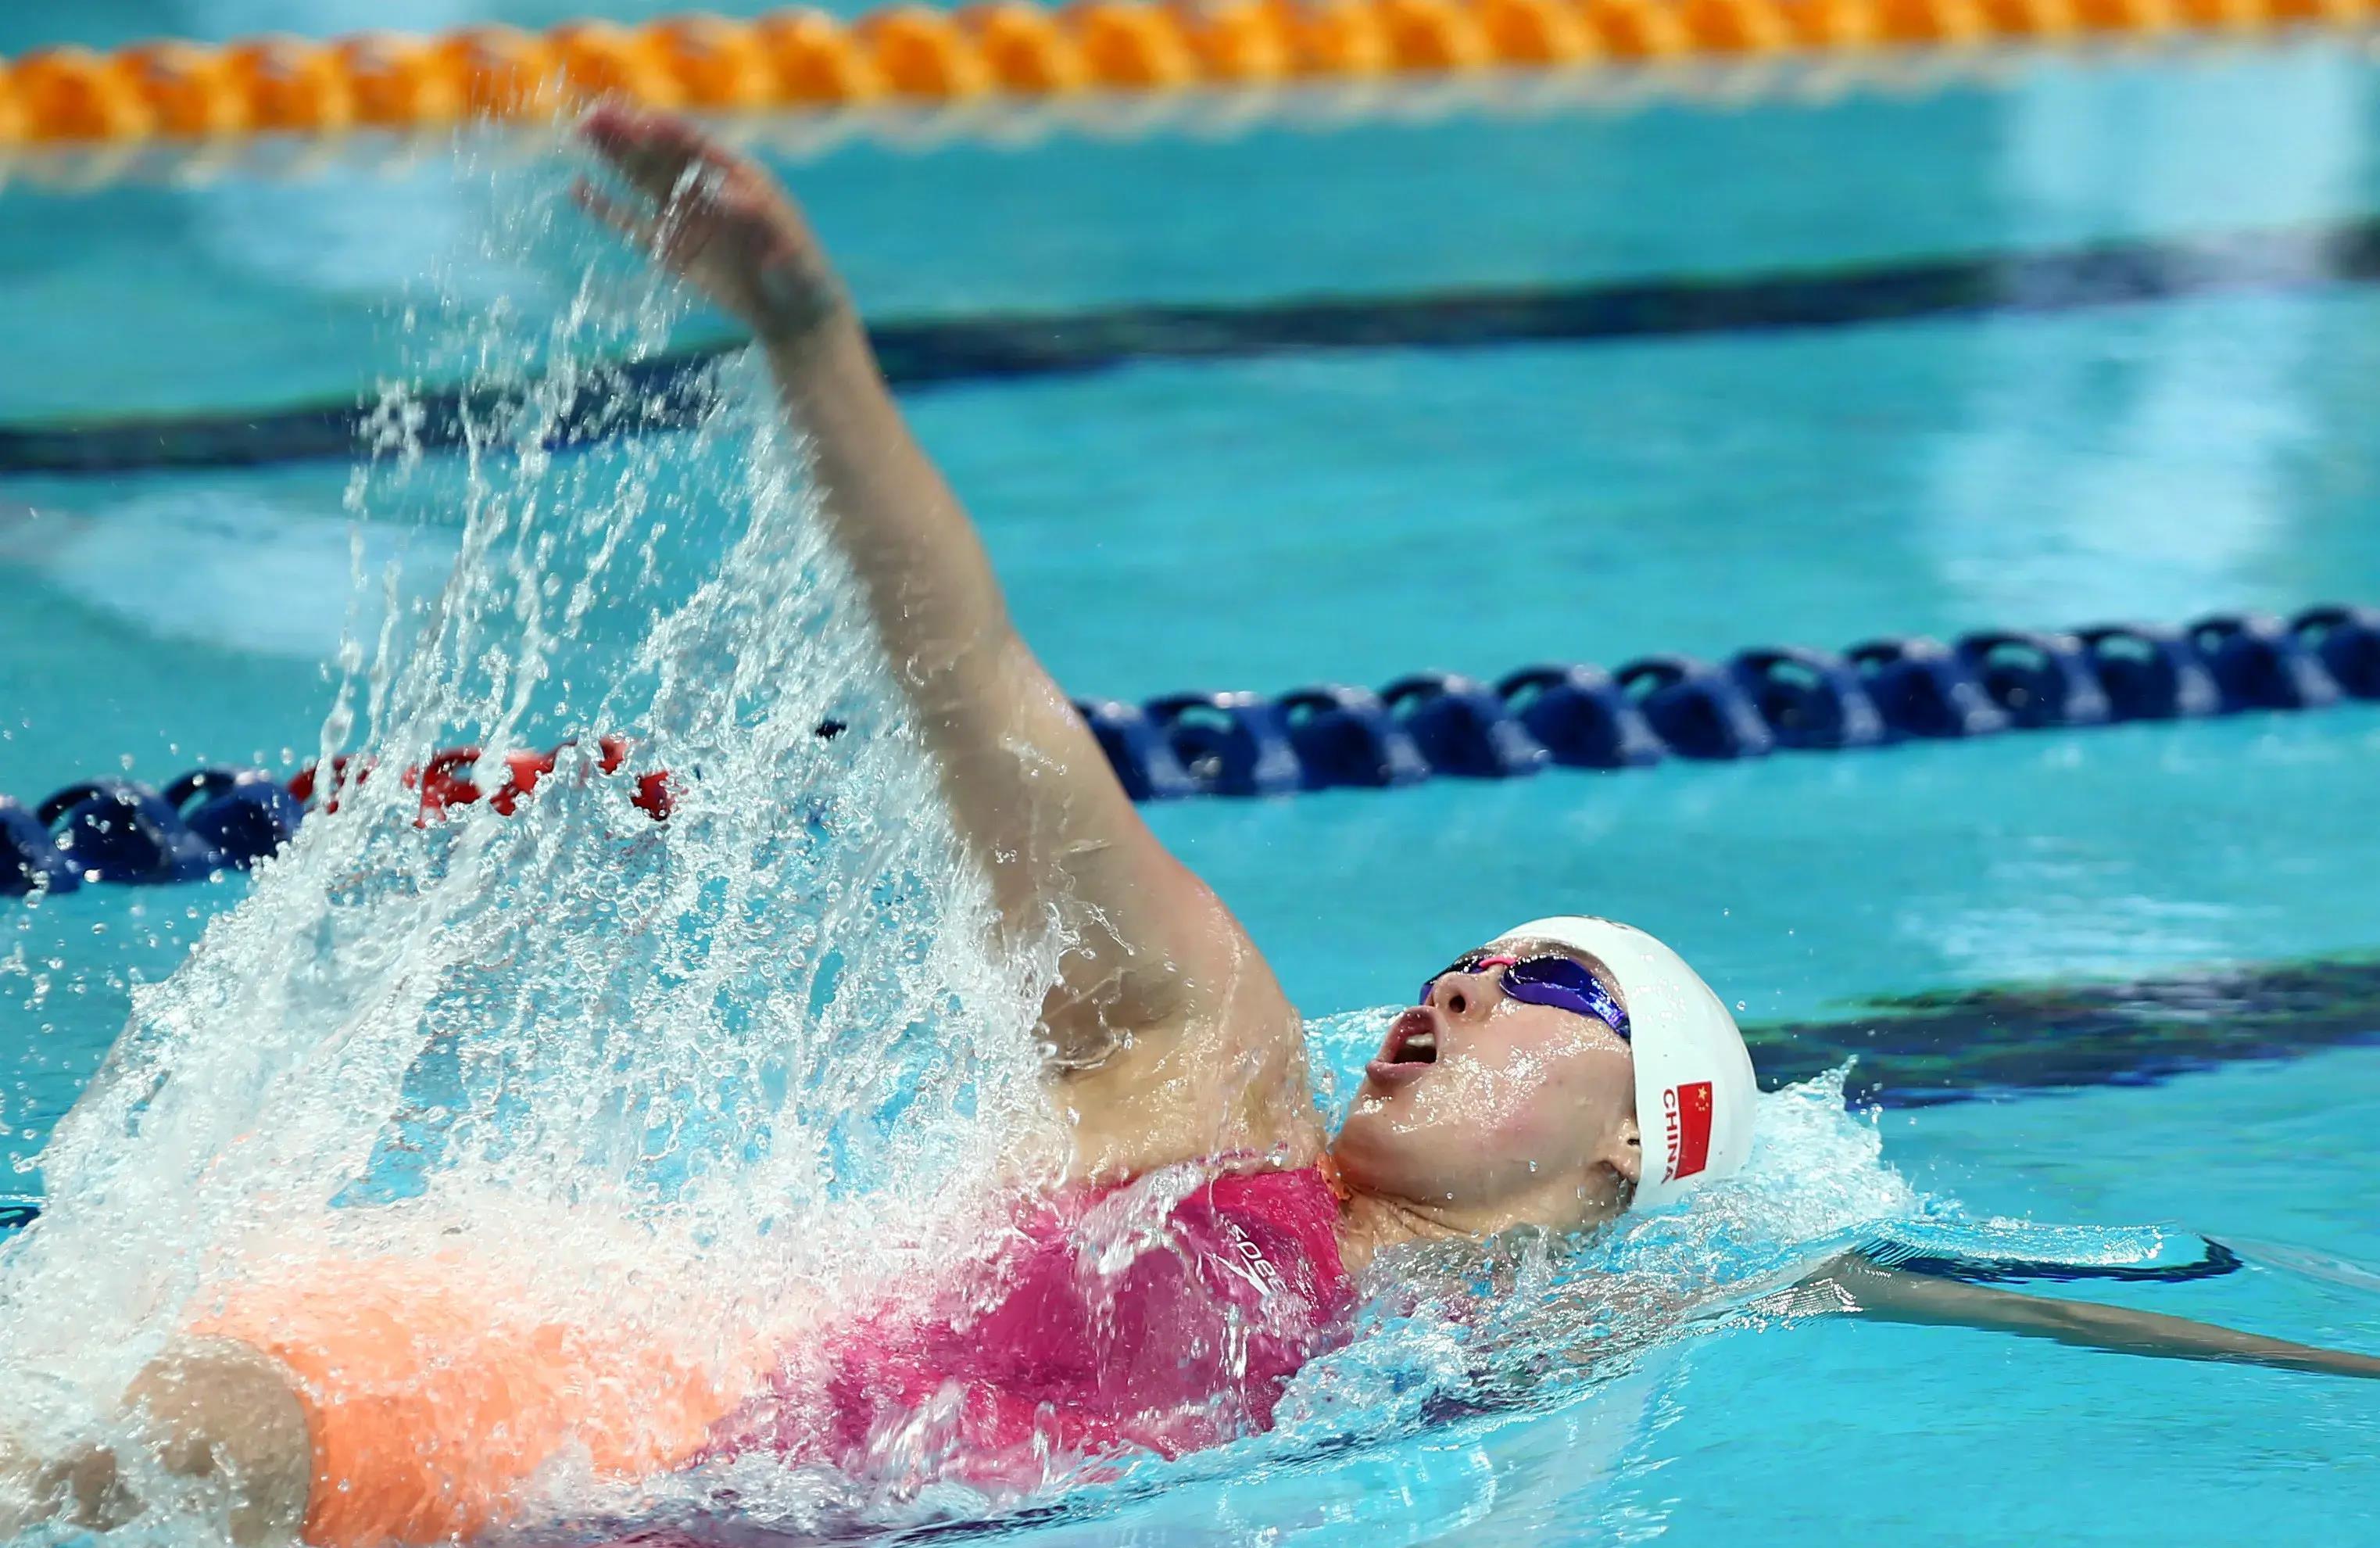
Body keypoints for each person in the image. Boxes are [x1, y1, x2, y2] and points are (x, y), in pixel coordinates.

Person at [6, 102, 2377, 1548]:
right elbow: (979, 691)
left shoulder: (1563, 1325)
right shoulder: (1200, 1087)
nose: (1455, 977)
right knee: (183, 1459)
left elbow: (1990, 1302)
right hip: (561, 1413)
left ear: (1640, 1141)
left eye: (1539, 982)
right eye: (1471, 955)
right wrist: (811, 338)